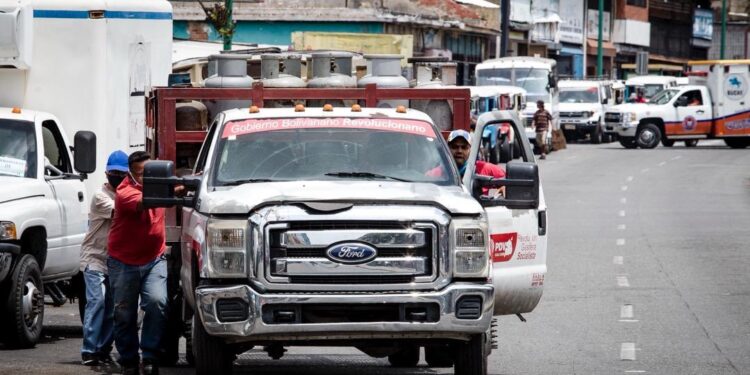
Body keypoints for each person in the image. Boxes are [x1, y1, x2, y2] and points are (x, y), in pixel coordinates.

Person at [107, 151, 174, 375]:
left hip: (154, 258)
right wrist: (171, 189)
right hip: (123, 261)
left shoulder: (160, 184)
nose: (144, 178)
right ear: (131, 174)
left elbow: (178, 189)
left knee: (157, 302)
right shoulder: (124, 192)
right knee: (124, 313)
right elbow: (146, 202)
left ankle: (150, 356)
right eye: (139, 174)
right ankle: (128, 360)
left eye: (148, 173)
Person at [80, 150, 128, 366]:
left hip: (115, 259)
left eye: (122, 173)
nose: (117, 177)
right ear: (107, 173)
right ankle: (89, 349)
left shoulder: (125, 194)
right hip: (95, 258)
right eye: (114, 173)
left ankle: (103, 349)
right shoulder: (101, 197)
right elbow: (123, 212)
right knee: (97, 301)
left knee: (112, 308)